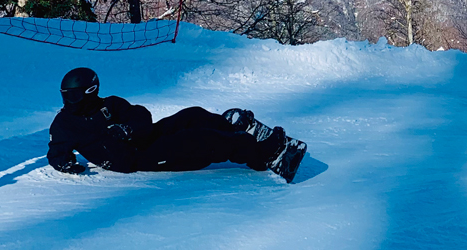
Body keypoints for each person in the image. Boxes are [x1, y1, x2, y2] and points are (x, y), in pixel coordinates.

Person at [47, 67, 296, 179]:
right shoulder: (64, 124)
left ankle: (232, 128)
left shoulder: (109, 104)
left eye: (76, 95)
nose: (72, 101)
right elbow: (57, 151)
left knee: (192, 115)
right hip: (140, 159)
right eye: (68, 96)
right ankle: (263, 155)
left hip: (146, 138)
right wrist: (66, 164)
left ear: (91, 91)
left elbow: (141, 115)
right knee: (200, 140)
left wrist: (127, 128)